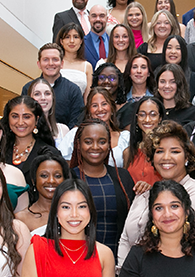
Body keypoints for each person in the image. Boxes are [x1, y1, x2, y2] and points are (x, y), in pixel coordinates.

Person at [117, 120, 195, 269]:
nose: (166, 157)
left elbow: (194, 245)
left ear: (187, 158)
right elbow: (125, 239)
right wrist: (126, 275)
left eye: (175, 151)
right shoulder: (144, 194)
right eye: (159, 151)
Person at [21, 179, 116, 277]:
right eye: (66, 207)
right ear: (56, 212)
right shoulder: (37, 249)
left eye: (82, 206)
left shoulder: (104, 253)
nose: (74, 214)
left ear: (91, 210)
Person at [70, 118, 136, 256]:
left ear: (109, 144)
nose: (95, 147)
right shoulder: (68, 178)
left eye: (102, 141)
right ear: (78, 144)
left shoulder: (123, 177)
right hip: (78, 259)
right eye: (88, 141)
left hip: (117, 261)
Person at [59, 88, 130, 167]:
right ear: (89, 111)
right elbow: (60, 162)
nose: (100, 109)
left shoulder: (125, 138)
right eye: (95, 105)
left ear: (112, 108)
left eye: (104, 104)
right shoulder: (75, 134)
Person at [21, 43, 84, 129]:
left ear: (62, 63)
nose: (50, 63)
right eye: (46, 59)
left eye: (55, 59)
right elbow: (24, 117)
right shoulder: (28, 88)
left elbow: (77, 122)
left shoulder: (73, 90)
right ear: (39, 64)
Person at [0, 96, 61, 184]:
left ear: (36, 120)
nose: (20, 122)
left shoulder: (49, 153)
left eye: (26, 117)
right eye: (15, 116)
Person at [16, 149, 72, 235]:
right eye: (44, 175)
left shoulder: (74, 214)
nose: (51, 181)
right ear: (34, 180)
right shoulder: (21, 218)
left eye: (57, 176)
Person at [123, 97, 165, 186]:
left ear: (160, 118)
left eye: (153, 114)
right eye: (142, 115)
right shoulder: (129, 153)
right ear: (137, 118)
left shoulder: (166, 151)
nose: (147, 120)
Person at [116, 54, 157, 129]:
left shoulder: (157, 97)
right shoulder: (120, 98)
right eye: (135, 67)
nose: (139, 71)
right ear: (129, 72)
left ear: (148, 73)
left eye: (143, 67)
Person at [27, 78, 70, 148]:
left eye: (47, 93)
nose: (43, 98)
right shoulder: (24, 129)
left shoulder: (63, 130)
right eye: (37, 94)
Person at [162, 35, 195, 101]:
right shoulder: (156, 74)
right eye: (169, 48)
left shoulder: (194, 78)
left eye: (178, 48)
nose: (173, 52)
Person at [56, 23, 93, 98]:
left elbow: (87, 97)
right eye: (67, 37)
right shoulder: (55, 63)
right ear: (61, 41)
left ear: (81, 41)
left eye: (76, 37)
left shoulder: (87, 66)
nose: (72, 41)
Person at [84, 4, 110, 69]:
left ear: (107, 19)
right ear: (88, 18)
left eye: (102, 16)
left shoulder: (114, 42)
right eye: (94, 16)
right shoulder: (81, 43)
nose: (98, 19)